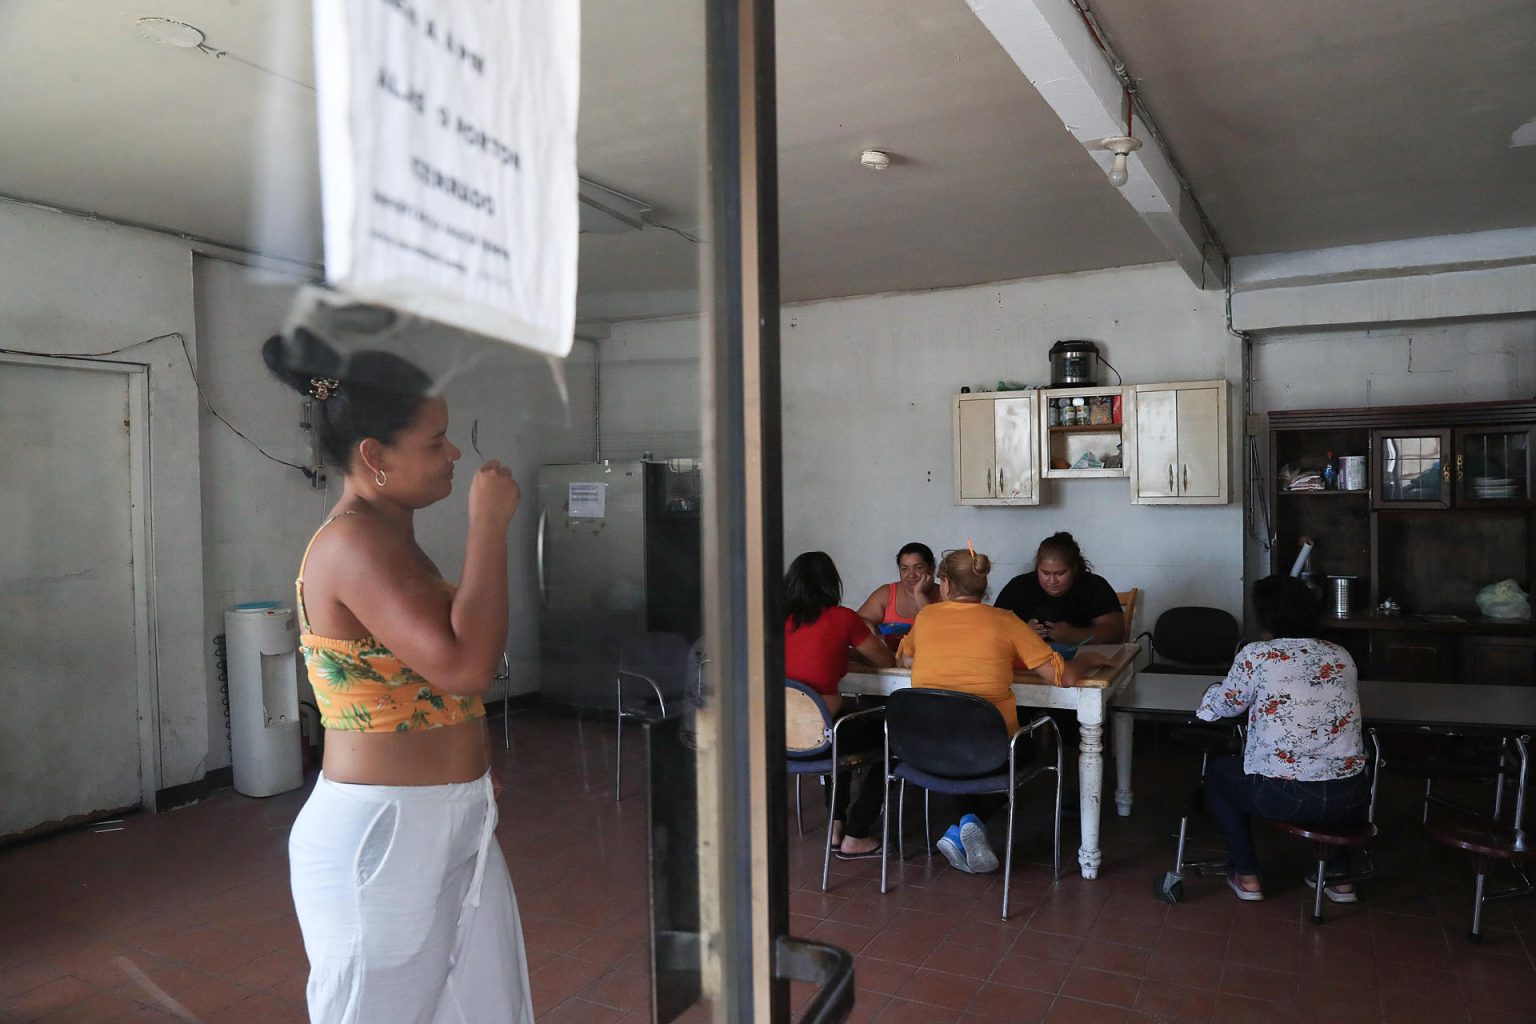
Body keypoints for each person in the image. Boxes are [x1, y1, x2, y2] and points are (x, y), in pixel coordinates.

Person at [267, 331, 534, 1024]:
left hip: (445, 816)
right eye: (436, 440)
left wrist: (461, 765)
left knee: (480, 1008)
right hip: (382, 835)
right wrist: (489, 526)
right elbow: (469, 666)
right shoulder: (353, 544)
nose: (452, 455)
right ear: (374, 456)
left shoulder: (389, 536)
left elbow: (424, 680)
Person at [898, 548, 1107, 874]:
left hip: (928, 748)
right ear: (984, 586)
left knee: (961, 743)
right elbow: (1062, 676)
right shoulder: (1004, 621)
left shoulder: (926, 617)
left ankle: (962, 826)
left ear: (946, 585)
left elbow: (905, 660)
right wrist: (1089, 659)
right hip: (990, 751)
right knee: (1017, 746)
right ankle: (970, 823)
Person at [1195, 575, 1369, 903]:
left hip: (1286, 795)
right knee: (1334, 774)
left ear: (1264, 615)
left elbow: (1225, 706)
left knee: (1218, 774)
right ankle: (1340, 879)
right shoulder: (1341, 655)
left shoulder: (1257, 655)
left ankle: (1247, 876)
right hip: (1352, 796)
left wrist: (1209, 697)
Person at [784, 551, 897, 859]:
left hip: (777, 739)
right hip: (822, 737)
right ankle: (856, 833)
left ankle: (835, 824)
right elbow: (886, 661)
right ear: (831, 584)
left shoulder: (773, 621)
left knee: (843, 734)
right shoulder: (843, 618)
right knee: (893, 737)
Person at [993, 532, 1126, 646]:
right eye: (1045, 573)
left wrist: (1075, 635)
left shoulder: (1094, 586)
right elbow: (993, 628)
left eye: (1060, 573)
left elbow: (1116, 632)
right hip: (1028, 666)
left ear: (1074, 568)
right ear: (1037, 567)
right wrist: (1022, 634)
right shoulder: (1019, 587)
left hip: (1085, 661)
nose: (1052, 581)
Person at [856, 542, 942, 648]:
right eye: (905, 568)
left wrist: (919, 594)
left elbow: (939, 631)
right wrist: (867, 627)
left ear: (931, 568)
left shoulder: (944, 594)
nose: (911, 575)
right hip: (889, 660)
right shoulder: (886, 593)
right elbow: (858, 621)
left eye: (918, 568)